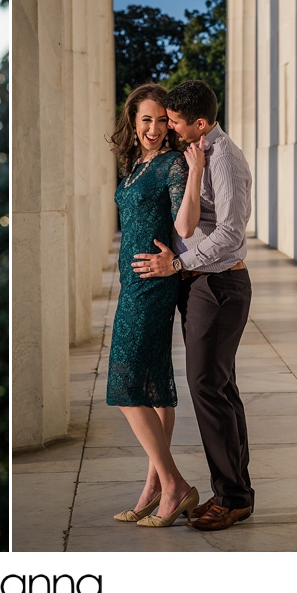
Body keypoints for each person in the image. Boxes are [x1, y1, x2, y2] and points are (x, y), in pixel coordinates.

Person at [132, 79, 254, 531]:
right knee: (219, 388)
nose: (170, 128)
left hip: (219, 285)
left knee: (206, 387)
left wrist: (179, 263)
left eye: (175, 122)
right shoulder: (199, 153)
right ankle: (233, 493)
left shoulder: (224, 159)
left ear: (200, 123)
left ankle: (232, 497)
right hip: (203, 284)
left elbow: (231, 233)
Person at [106, 84, 206, 527]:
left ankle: (174, 485)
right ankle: (154, 489)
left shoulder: (172, 164)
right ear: (132, 120)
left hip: (153, 283)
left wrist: (195, 171)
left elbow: (185, 224)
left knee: (126, 384)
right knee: (154, 387)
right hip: (132, 283)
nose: (153, 128)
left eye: (162, 120)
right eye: (146, 119)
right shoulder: (134, 164)